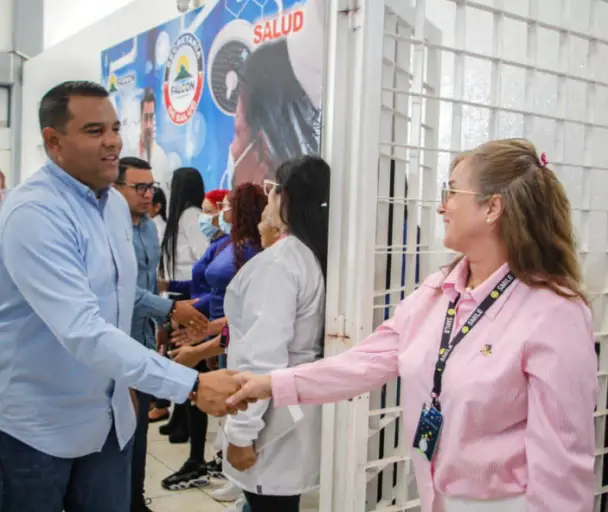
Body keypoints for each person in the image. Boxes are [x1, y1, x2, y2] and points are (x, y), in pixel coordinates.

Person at [228, 140, 599, 512]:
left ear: (493, 208)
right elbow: (365, 361)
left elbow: (562, 469)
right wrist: (271, 384)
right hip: (436, 496)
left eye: (452, 191)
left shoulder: (553, 313)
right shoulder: (439, 290)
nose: (441, 206)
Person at [0, 80, 243, 512]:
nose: (113, 141)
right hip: (38, 430)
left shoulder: (114, 207)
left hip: (110, 418)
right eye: (94, 131)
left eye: (115, 128)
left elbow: (119, 301)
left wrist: (124, 382)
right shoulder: (32, 214)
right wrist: (187, 383)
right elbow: (83, 330)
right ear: (53, 141)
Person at [216, 156, 330, 512]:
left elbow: (261, 357)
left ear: (288, 198)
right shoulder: (311, 255)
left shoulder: (282, 262)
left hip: (270, 417)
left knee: (270, 502)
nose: (268, 200)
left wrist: (241, 434)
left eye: (273, 190)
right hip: (293, 406)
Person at [114, 156, 208, 511]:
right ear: (116, 188)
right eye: (138, 187)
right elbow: (119, 288)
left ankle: (135, 498)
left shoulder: (150, 229)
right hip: (114, 339)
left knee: (138, 432)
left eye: (151, 187)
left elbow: (150, 281)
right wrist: (168, 308)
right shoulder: (111, 229)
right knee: (115, 433)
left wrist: (162, 322)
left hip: (146, 332)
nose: (147, 194)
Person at [162, 184, 266, 492]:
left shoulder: (256, 253)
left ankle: (237, 471)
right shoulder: (227, 244)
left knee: (239, 401)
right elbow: (220, 296)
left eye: (219, 208)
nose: (214, 217)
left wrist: (207, 331)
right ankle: (228, 468)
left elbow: (246, 313)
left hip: (230, 334)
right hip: (218, 328)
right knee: (226, 402)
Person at [157, 166, 210, 440]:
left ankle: (189, 428)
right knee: (179, 362)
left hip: (191, 297)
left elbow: (203, 261)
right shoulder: (178, 219)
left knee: (189, 364)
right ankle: (180, 419)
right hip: (179, 295)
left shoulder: (192, 218)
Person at [138, 87, 170, 193]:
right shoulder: (130, 154)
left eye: (151, 118)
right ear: (140, 119)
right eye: (146, 118)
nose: (148, 125)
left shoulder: (161, 156)